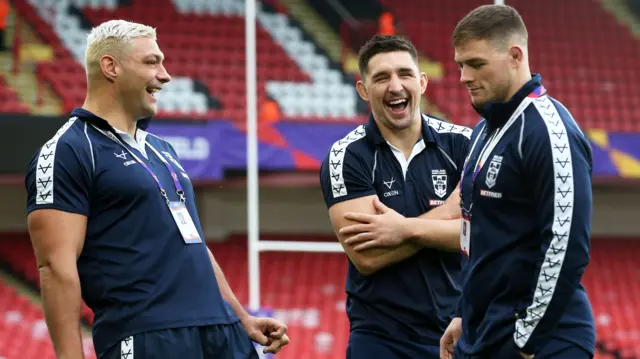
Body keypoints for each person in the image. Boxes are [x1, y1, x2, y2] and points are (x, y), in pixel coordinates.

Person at [25, 20, 289, 359]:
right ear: (111, 67)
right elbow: (56, 268)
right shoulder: (69, 149)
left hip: (221, 335)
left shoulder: (163, 149)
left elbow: (193, 243)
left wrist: (240, 318)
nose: (165, 75)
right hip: (149, 337)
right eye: (152, 62)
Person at [439, 5, 595, 359]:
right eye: (460, 64)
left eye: (476, 64)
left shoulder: (550, 131)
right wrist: (465, 311)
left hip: (544, 341)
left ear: (515, 56)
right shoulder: (482, 133)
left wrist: (527, 341)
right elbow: (474, 235)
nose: (463, 76)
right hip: (483, 333)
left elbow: (566, 245)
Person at [319, 34, 472, 359]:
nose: (395, 86)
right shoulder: (346, 157)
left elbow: (484, 235)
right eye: (381, 77)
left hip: (460, 330)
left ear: (422, 81)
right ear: (363, 89)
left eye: (404, 74)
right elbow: (368, 257)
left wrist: (401, 229)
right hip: (381, 339)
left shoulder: (465, 146)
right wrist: (447, 214)